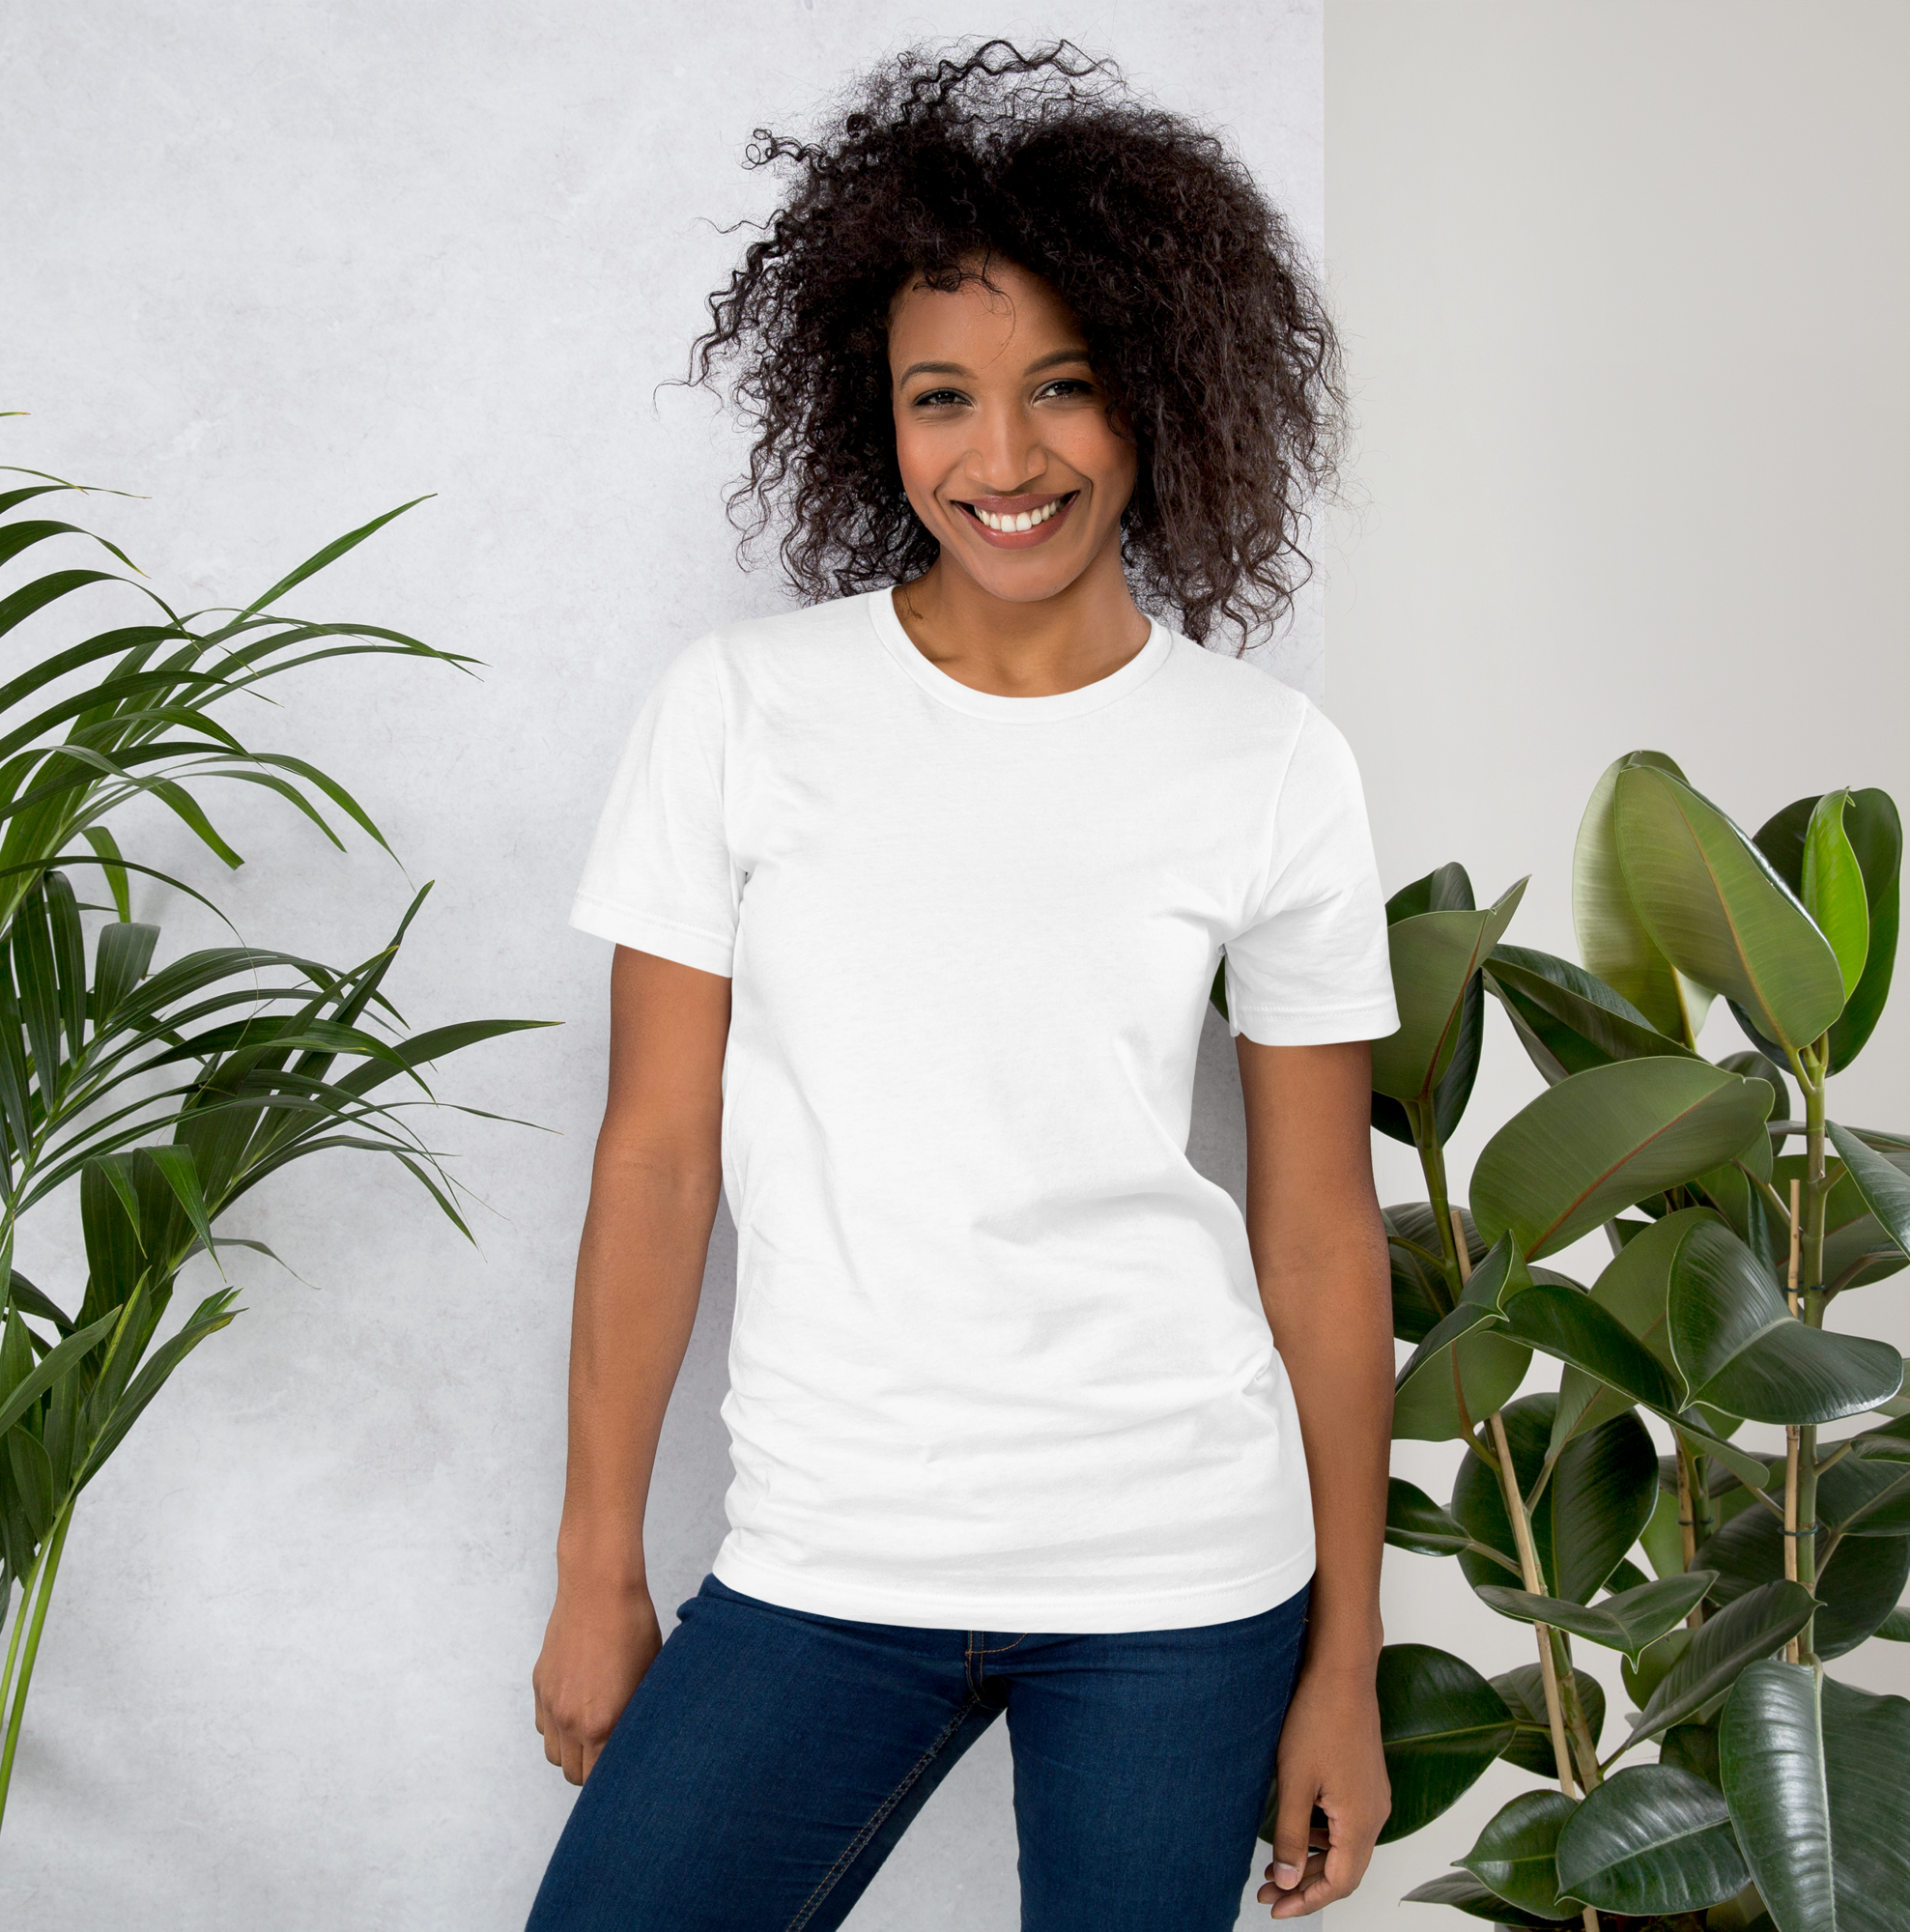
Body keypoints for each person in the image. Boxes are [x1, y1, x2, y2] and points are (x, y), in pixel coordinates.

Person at [527, 41, 1398, 1932]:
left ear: (1160, 390)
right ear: (880, 417)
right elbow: (657, 1159)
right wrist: (600, 1558)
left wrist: (1345, 1656)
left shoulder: (1265, 762)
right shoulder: (740, 715)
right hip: (834, 1549)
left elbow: (1324, 1235)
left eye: (1062, 387)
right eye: (944, 399)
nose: (1003, 460)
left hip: (1181, 1574)